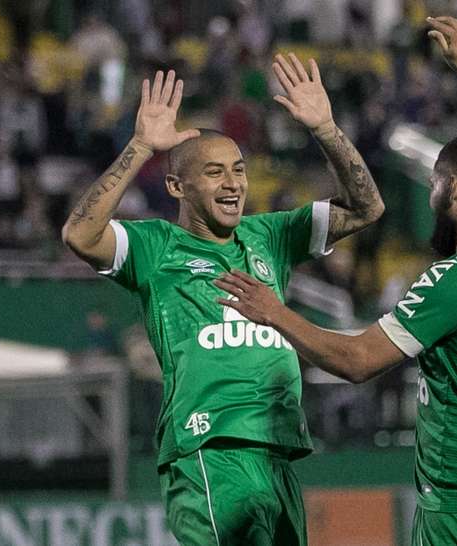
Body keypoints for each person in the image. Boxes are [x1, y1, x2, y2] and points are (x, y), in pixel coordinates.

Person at [215, 17, 457, 546]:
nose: (430, 194)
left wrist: (274, 311)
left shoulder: (455, 281)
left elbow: (357, 362)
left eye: (436, 183)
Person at [61, 54, 384, 545]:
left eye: (238, 170)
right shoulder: (156, 248)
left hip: (277, 450)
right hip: (211, 447)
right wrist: (141, 144)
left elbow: (367, 207)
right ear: (177, 186)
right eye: (214, 173)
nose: (233, 184)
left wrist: (325, 128)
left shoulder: (268, 236)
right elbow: (81, 234)